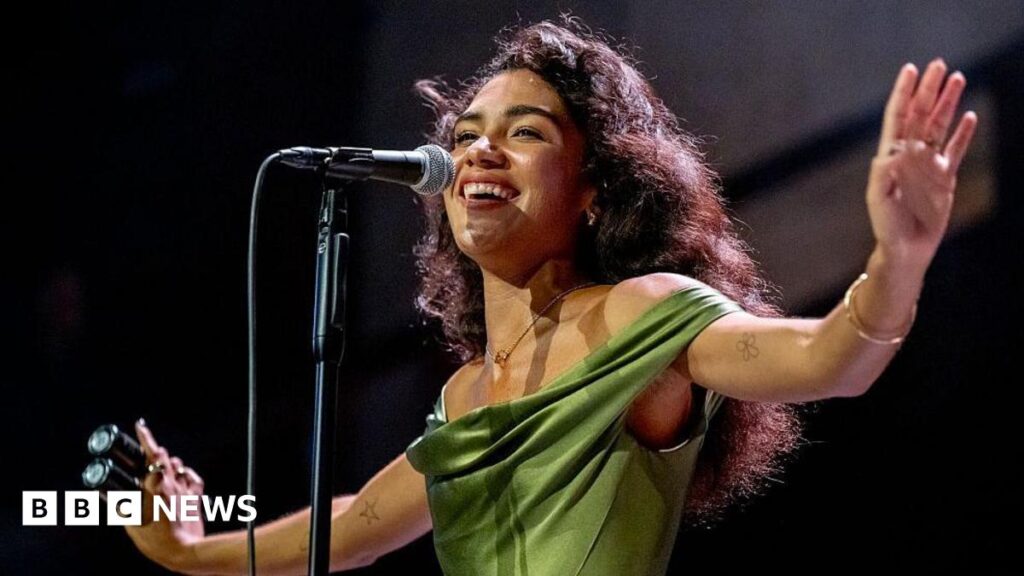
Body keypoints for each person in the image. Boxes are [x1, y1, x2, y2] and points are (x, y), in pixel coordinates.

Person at [124, 19, 977, 576]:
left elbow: (830, 359)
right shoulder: (463, 394)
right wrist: (190, 552)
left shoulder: (639, 313)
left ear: (596, 187)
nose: (481, 154)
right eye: (466, 138)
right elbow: (349, 525)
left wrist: (897, 258)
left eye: (524, 133)